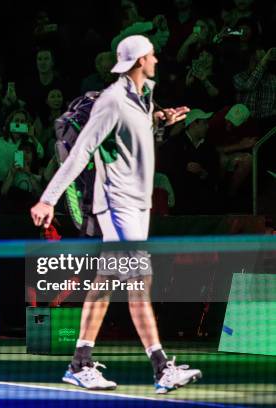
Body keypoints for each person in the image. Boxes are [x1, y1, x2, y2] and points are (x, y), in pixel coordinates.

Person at [30, 35, 202, 394]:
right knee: (136, 283)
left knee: (112, 284)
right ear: (139, 60)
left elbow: (135, 135)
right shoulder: (109, 102)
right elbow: (80, 153)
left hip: (139, 204)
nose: (156, 60)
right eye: (151, 55)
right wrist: (48, 199)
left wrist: (160, 121)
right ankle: (160, 368)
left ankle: (80, 362)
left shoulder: (144, 96)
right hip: (117, 203)